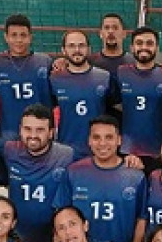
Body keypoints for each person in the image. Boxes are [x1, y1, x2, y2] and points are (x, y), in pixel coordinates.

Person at [54, 115, 147, 242]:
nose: (102, 143)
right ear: (89, 141)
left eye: (109, 137)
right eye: (96, 137)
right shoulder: (74, 171)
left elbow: (141, 218)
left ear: (119, 140)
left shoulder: (135, 176)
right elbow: (61, 212)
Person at [0, 104, 74, 242]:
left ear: (51, 132)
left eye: (40, 130)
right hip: (18, 237)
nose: (33, 135)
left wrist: (129, 159)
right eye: (28, 129)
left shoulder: (67, 155)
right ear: (20, 129)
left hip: (54, 237)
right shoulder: (10, 149)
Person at [114, 26, 162, 175]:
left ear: (157, 47)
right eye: (139, 43)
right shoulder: (122, 73)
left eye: (149, 43)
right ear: (132, 47)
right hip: (128, 151)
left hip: (158, 152)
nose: (144, 47)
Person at [50, 30, 118, 160]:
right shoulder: (54, 79)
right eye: (71, 46)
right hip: (66, 151)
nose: (77, 50)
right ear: (63, 50)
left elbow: (118, 110)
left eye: (81, 45)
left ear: (89, 49)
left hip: (99, 150)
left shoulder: (105, 77)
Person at [0, 14, 53, 140]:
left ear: (30, 37)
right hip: (10, 132)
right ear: (6, 37)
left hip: (40, 132)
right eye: (14, 35)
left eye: (23, 35)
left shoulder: (45, 62)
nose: (19, 40)